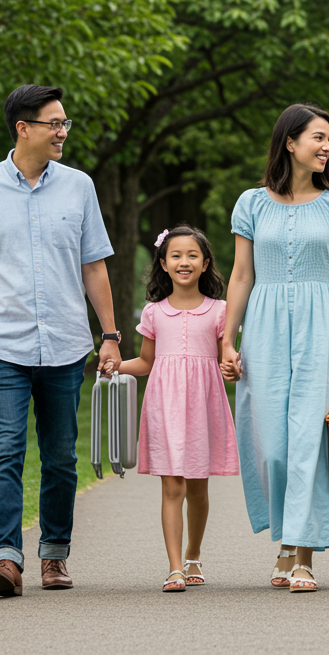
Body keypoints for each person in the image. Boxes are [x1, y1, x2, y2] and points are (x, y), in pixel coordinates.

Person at [0, 85, 122, 597]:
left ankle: (54, 556)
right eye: (54, 123)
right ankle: (6, 558)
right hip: (2, 350)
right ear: (24, 127)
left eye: (65, 124)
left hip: (63, 345)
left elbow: (94, 265)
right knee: (6, 451)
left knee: (60, 456)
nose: (63, 132)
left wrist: (109, 334)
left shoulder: (80, 186)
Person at [220, 104, 329, 594]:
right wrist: (227, 338)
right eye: (317, 138)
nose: (326, 147)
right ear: (290, 142)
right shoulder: (251, 203)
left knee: (307, 441)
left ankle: (302, 555)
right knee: (272, 447)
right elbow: (241, 276)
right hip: (261, 325)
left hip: (319, 323)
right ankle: (285, 538)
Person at [109, 224, 238, 592]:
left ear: (205, 262)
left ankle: (194, 554)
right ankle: (175, 567)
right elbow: (147, 362)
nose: (184, 262)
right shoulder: (153, 313)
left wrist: (233, 367)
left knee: (198, 488)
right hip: (164, 405)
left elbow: (224, 359)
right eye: (176, 256)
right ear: (163, 264)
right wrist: (116, 366)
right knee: (172, 487)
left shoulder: (220, 311)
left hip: (203, 405)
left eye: (192, 255)